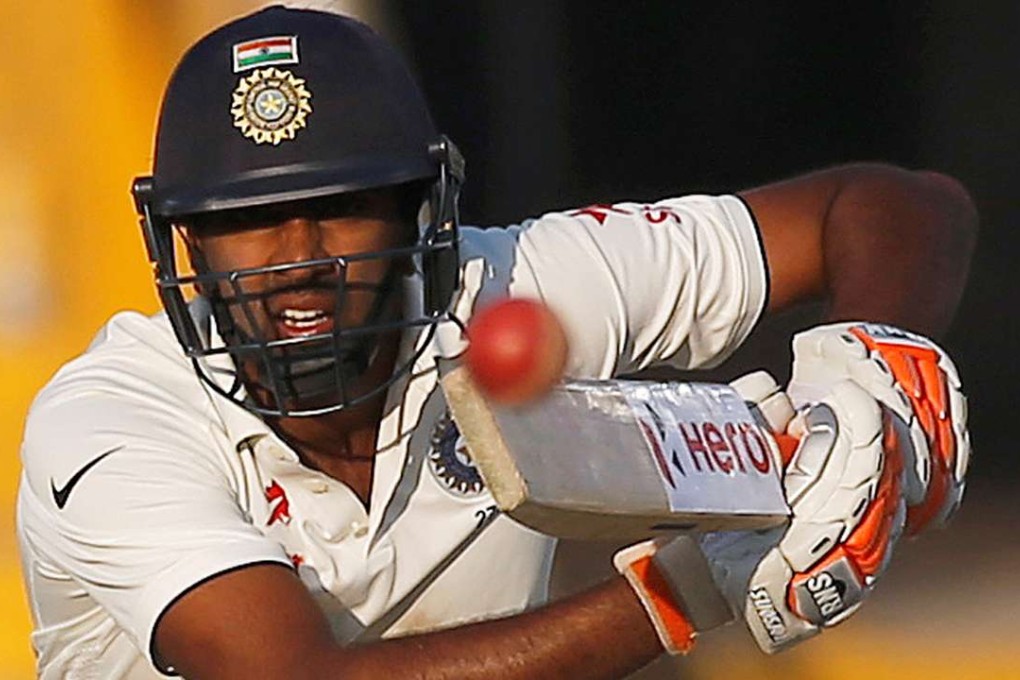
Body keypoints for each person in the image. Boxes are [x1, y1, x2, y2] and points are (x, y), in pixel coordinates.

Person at [16, 6, 975, 679]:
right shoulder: (110, 423)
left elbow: (893, 205)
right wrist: (684, 590)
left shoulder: (511, 285)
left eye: (344, 206)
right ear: (187, 240)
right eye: (250, 219)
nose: (298, 258)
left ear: (419, 212)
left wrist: (874, 366)